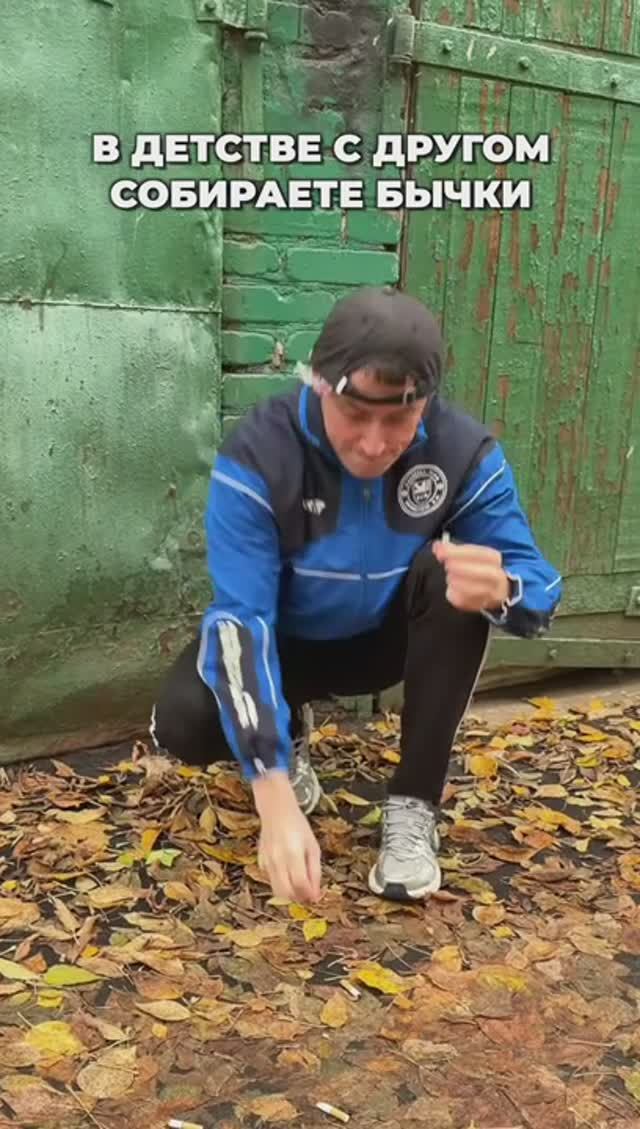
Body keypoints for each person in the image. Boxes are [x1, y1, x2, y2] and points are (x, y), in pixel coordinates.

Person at [149, 286, 562, 906]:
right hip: (285, 648)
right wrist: (272, 795)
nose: (373, 443)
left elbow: (540, 584)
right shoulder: (260, 452)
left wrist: (504, 589)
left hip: (383, 644)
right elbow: (239, 622)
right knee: (184, 722)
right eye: (354, 414)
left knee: (452, 578)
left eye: (398, 419)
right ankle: (286, 736)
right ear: (318, 386)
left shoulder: (461, 450)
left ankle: (413, 805)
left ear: (427, 403)